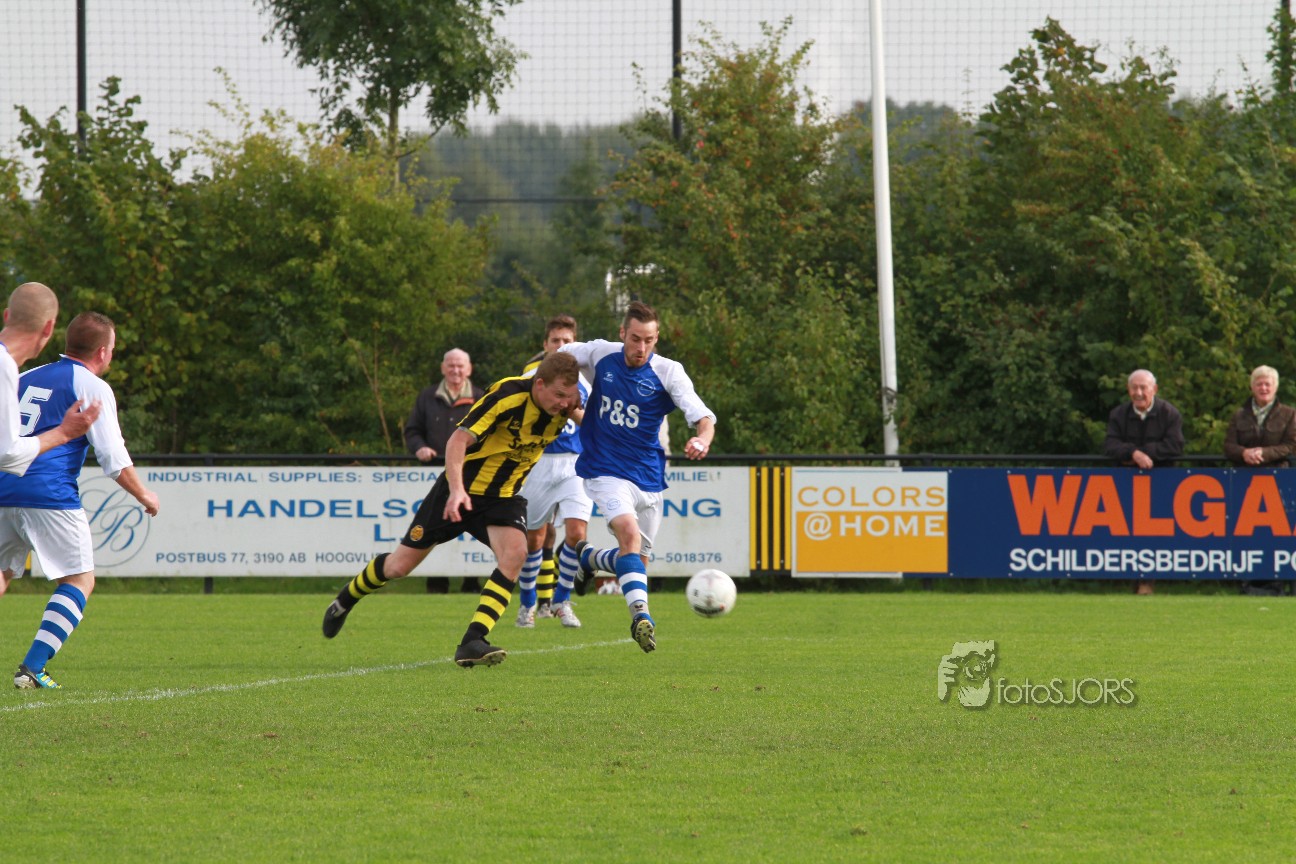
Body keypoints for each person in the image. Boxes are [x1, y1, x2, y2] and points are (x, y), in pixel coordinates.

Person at [322, 352, 582, 667]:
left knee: (516, 553)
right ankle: (345, 599)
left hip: (502, 496)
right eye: (558, 395)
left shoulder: (566, 404)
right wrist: (457, 490)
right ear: (539, 384)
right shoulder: (507, 395)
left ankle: (473, 640)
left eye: (569, 396)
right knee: (398, 567)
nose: (564, 403)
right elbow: (457, 441)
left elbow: (595, 426)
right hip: (460, 489)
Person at [5, 312, 159, 688]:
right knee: (79, 580)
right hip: (48, 491)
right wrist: (145, 495)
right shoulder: (91, 386)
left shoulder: (24, 375)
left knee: (2, 574)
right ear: (103, 352)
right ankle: (33, 668)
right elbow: (113, 458)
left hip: (2, 486)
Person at [561, 300, 716, 653]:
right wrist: (568, 391)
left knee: (635, 559)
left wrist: (702, 439)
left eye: (648, 340)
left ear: (656, 338)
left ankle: (589, 558)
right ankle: (641, 618)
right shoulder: (601, 354)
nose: (641, 347)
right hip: (604, 468)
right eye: (635, 339)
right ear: (622, 334)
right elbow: (561, 356)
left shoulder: (669, 372)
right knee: (628, 535)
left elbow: (702, 417)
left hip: (647, 475)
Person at [0, 282, 102, 601]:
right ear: (48, 328)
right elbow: (7, 453)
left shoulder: (13, 371)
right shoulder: (4, 367)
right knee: (78, 579)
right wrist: (64, 432)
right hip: (43, 493)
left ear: (7, 316)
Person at [514, 315, 590, 629]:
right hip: (539, 462)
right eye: (555, 340)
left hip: (575, 463)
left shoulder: (586, 380)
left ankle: (562, 600)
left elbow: (592, 423)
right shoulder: (530, 378)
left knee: (577, 533)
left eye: (567, 341)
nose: (561, 346)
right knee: (535, 539)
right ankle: (527, 604)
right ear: (545, 344)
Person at [403, 347, 486, 594]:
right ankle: (436, 582)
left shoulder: (481, 397)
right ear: (443, 368)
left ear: (469, 369)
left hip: (470, 475)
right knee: (433, 526)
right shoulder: (427, 397)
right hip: (432, 475)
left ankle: (471, 582)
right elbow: (412, 431)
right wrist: (419, 447)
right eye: (451, 365)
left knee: (472, 527)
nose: (455, 370)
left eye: (460, 365)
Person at [1103, 369, 1184, 595]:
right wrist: (1134, 454)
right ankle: (1132, 580)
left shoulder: (1169, 413)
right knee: (1126, 533)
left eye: (1143, 388)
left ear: (1154, 389)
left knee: (1153, 535)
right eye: (1134, 388)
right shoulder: (1118, 414)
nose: (1138, 393)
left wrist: (1145, 454)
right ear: (1128, 390)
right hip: (1125, 485)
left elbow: (1175, 446)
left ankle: (1147, 581)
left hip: (1160, 484)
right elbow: (1110, 446)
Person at [1224, 365, 1296, 597]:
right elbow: (1229, 446)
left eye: (1267, 384)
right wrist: (1244, 453)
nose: (1263, 388)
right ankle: (1248, 582)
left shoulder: (1289, 414)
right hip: (1245, 481)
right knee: (1246, 534)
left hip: (1278, 481)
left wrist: (1264, 454)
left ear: (1275, 387)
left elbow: (1291, 446)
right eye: (1259, 384)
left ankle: (1276, 583)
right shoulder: (1239, 415)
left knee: (1277, 534)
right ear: (1252, 387)